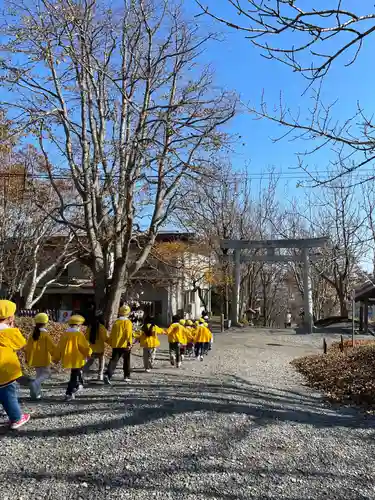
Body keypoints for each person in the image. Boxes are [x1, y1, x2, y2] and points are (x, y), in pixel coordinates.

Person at [0, 300, 30, 430]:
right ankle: (16, 418)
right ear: (10, 317)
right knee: (9, 395)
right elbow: (21, 344)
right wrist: (13, 328)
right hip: (6, 370)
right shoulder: (9, 332)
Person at [56, 315, 92, 401]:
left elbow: (59, 347)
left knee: (75, 373)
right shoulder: (79, 334)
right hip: (77, 358)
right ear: (78, 325)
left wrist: (56, 358)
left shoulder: (65, 334)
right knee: (74, 375)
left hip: (68, 358)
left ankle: (78, 385)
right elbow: (84, 347)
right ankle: (69, 393)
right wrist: (89, 353)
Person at [25, 312, 56, 400]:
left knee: (39, 375)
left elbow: (28, 347)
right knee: (46, 374)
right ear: (46, 323)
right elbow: (52, 347)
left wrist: (27, 358)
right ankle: (34, 384)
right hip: (44, 359)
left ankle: (36, 394)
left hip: (34, 359)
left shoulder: (32, 334)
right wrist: (57, 356)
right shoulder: (45, 335)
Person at [104, 305, 133, 385]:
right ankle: (126, 376)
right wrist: (129, 343)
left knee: (113, 360)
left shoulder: (116, 322)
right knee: (126, 360)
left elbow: (112, 334)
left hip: (116, 344)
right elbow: (128, 333)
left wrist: (110, 342)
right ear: (128, 313)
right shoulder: (128, 322)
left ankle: (107, 374)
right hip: (125, 345)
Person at [83, 314, 108, 381]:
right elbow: (105, 338)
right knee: (102, 361)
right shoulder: (102, 327)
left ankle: (82, 373)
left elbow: (86, 337)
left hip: (91, 349)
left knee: (89, 362)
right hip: (100, 349)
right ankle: (100, 375)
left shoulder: (89, 327)